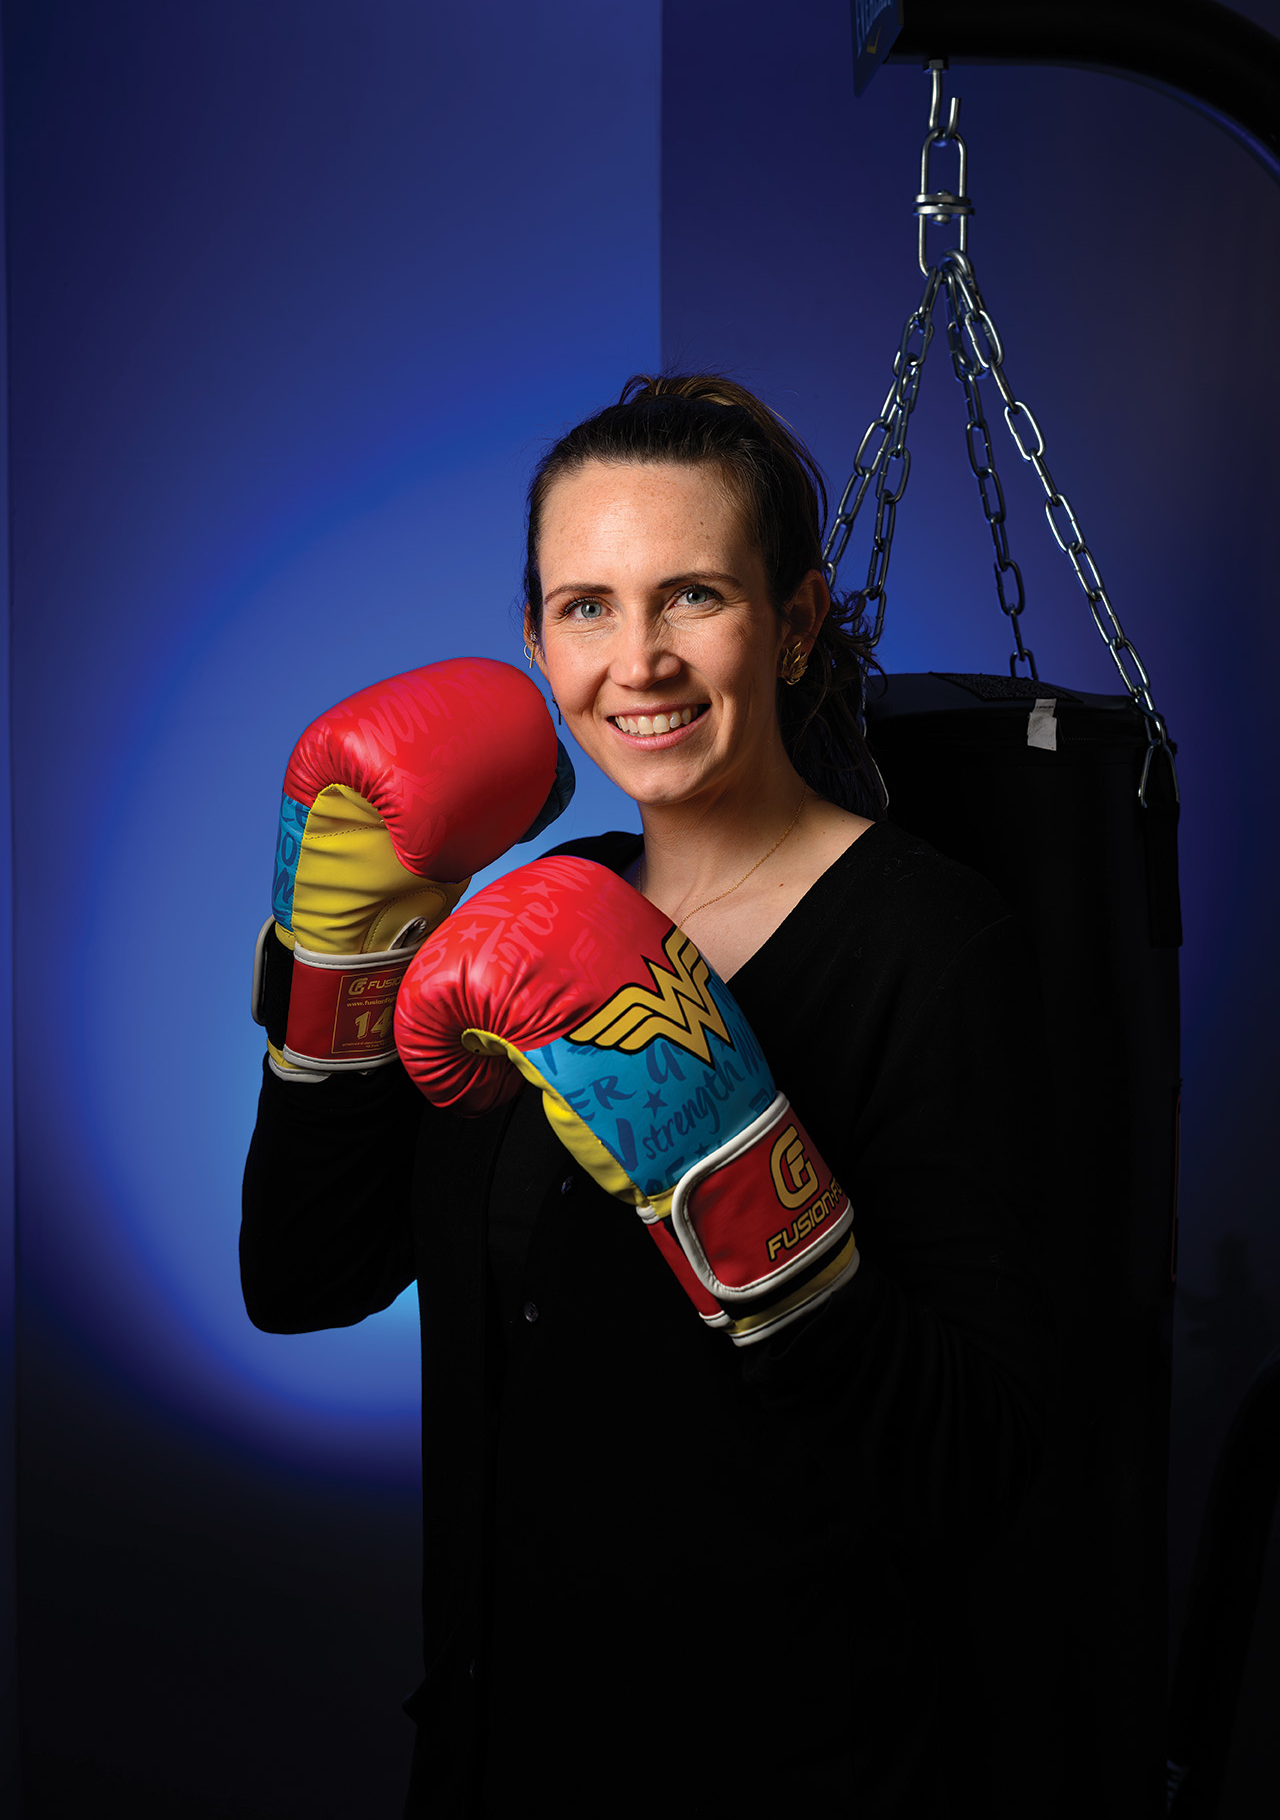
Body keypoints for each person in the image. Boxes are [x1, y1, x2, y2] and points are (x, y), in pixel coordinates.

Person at [241, 374, 1053, 1819]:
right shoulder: (524, 935)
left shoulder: (933, 945)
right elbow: (306, 1277)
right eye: (585, 607)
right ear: (538, 639)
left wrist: (750, 1190)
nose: (639, 664)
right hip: (502, 1747)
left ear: (796, 624)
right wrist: (338, 972)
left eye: (691, 597)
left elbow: (979, 1466)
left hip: (797, 1770)